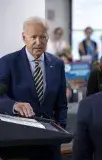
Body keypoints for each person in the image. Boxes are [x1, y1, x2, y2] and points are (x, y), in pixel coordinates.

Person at [0, 17, 67, 159]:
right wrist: (14, 105)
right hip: (18, 146)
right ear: (24, 37)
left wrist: (61, 132)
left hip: (50, 146)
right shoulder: (7, 63)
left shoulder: (57, 64)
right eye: (34, 37)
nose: (39, 42)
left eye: (43, 37)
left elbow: (62, 105)